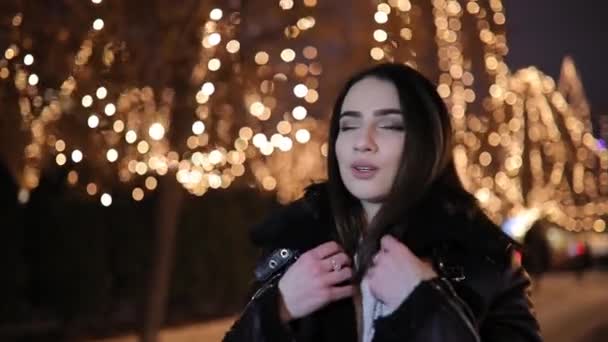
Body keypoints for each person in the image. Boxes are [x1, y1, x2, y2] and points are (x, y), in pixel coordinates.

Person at [223, 63, 542, 341]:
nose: (363, 142)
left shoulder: (485, 260)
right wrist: (277, 309)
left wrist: (426, 305)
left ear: (427, 141)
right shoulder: (295, 245)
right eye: (349, 126)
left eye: (389, 125)